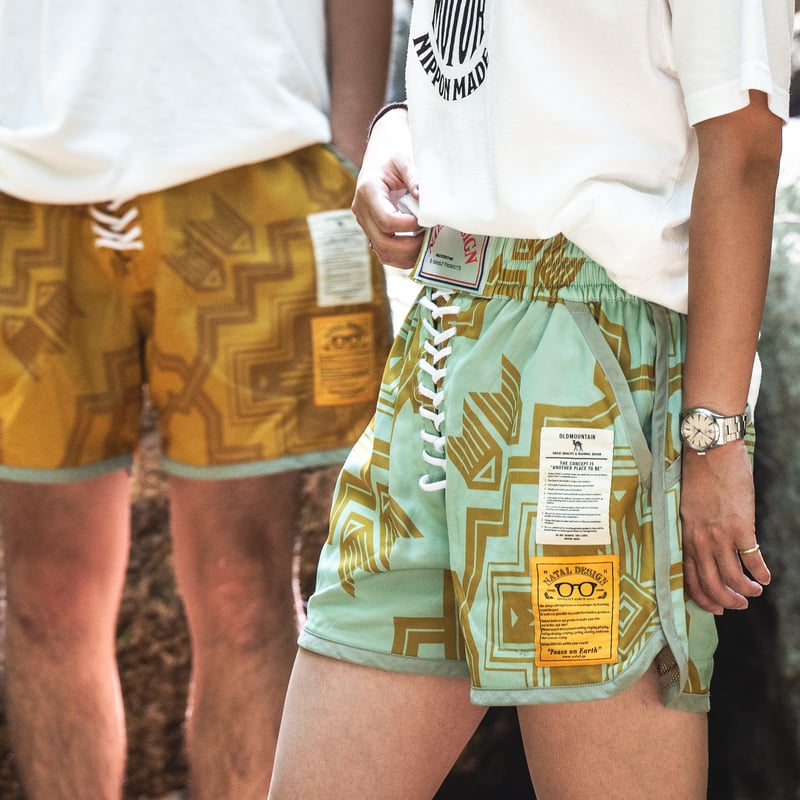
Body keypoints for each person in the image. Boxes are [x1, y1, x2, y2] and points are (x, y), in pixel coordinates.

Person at [268, 2, 794, 799]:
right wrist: (405, 124)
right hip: (444, 333)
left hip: (588, 367)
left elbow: (745, 145)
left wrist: (714, 438)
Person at [0, 2, 394, 799]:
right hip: (20, 175)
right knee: (46, 593)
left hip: (251, 152)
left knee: (242, 585)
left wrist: (351, 140)